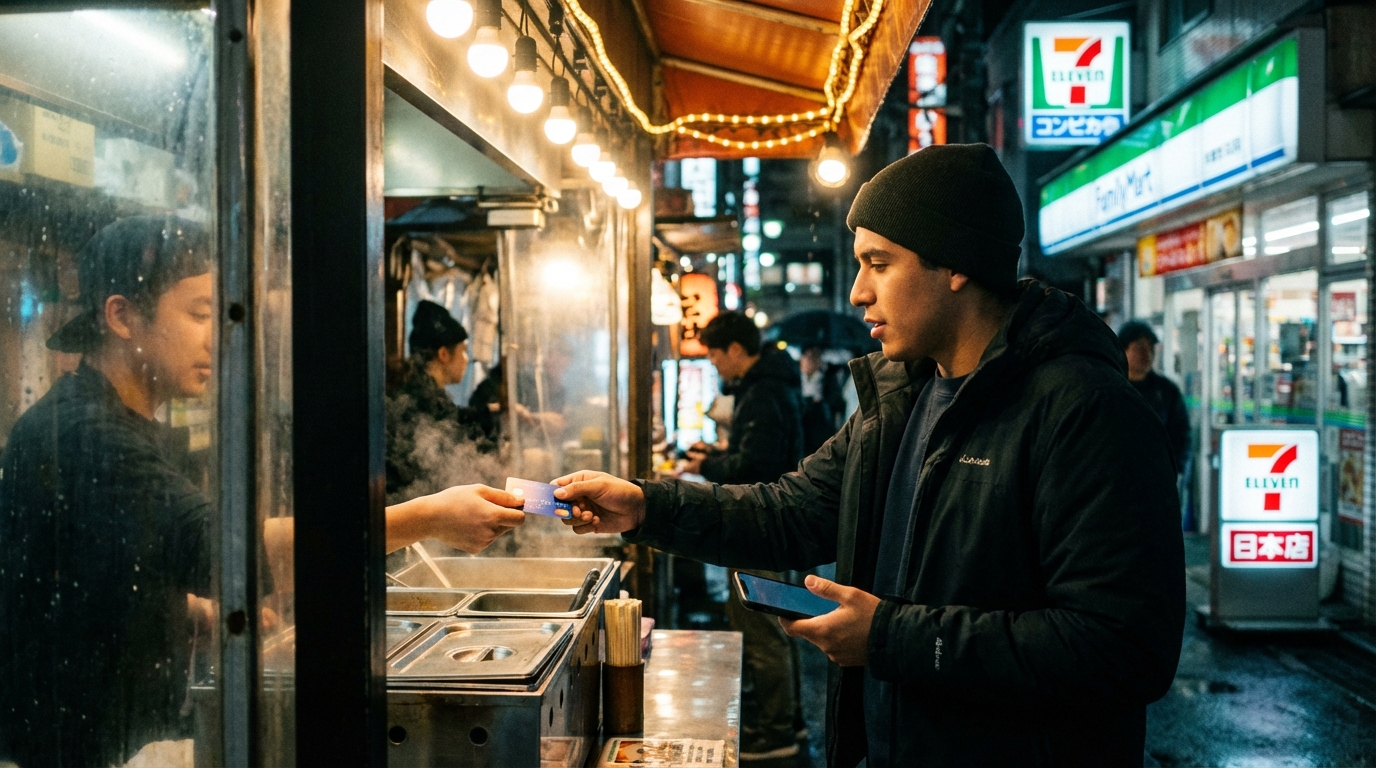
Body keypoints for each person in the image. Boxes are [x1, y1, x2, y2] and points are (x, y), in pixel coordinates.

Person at [555, 145, 1185, 767]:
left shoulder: (1087, 411)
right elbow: (789, 513)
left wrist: (889, 637)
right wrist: (644, 505)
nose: (858, 292)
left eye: (878, 263)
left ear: (957, 263)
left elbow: (1122, 648)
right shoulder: (903, 397)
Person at [0, 218, 526, 768]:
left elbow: (119, 565)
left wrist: (193, 616)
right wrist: (429, 517)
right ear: (122, 316)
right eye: (200, 314)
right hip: (73, 747)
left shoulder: (129, 423)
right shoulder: (85, 434)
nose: (216, 335)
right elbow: (220, 552)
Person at [683, 311, 806, 761]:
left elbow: (756, 468)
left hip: (761, 529)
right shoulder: (770, 386)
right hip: (775, 526)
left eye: (715, 356)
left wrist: (707, 465)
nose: (715, 365)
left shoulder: (764, 392)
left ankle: (776, 733)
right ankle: (788, 721)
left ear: (736, 349)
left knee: (763, 629)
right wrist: (720, 453)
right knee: (778, 626)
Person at [387, 300, 499, 497]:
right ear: (443, 354)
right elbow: (449, 445)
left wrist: (493, 410)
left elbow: (454, 417)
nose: (466, 359)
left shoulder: (422, 389)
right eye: (463, 351)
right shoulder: (420, 397)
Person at [1119, 320, 1190, 473]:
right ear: (1123, 350)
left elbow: (1180, 433)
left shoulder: (1166, 391)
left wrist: (1174, 469)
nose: (1147, 354)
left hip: (1158, 476)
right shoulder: (1111, 387)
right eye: (1139, 348)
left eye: (1151, 348)